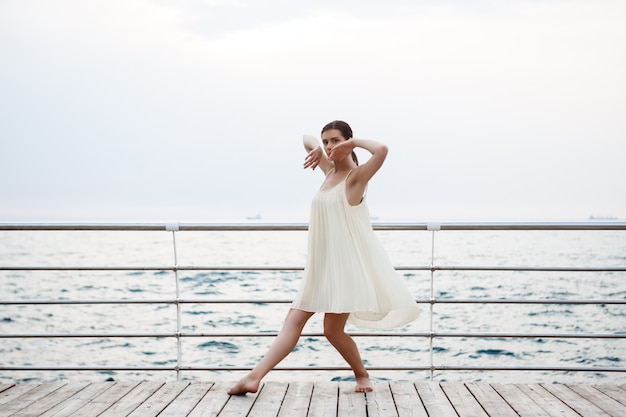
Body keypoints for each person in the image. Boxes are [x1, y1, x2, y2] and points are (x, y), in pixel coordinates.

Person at [228, 120, 419, 395]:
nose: (330, 146)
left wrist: (351, 145)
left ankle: (361, 376)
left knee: (327, 329)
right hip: (322, 266)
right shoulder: (329, 171)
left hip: (344, 269)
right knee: (301, 321)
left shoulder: (356, 178)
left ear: (348, 141)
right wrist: (317, 148)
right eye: (327, 141)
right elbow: (305, 138)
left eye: (335, 140)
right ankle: (253, 377)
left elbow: (382, 150)